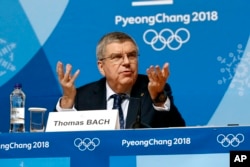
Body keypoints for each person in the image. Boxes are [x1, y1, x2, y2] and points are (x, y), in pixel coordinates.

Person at [55, 31, 185, 129]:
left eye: (132, 55)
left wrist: (158, 98)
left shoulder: (154, 90)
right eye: (117, 57)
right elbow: (59, 142)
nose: (127, 62)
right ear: (101, 67)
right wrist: (67, 102)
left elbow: (177, 134)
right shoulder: (81, 97)